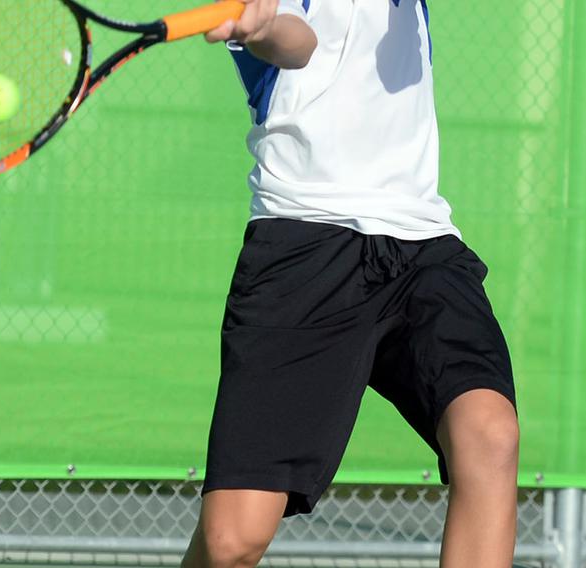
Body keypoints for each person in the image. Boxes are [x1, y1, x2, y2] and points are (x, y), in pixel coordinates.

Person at [183, 0, 519, 566]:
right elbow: (297, 42)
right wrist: (260, 29)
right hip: (303, 246)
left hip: (422, 241)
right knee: (231, 543)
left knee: (489, 434)